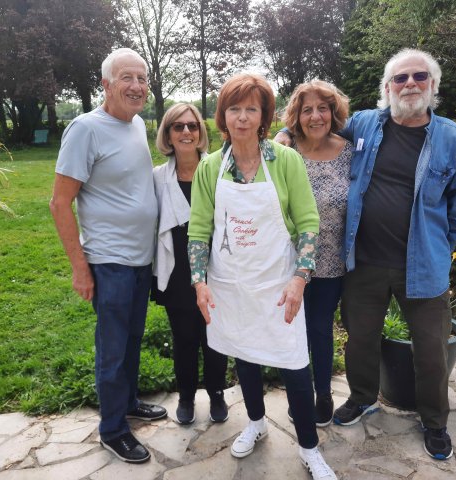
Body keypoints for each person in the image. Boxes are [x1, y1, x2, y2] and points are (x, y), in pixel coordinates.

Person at [276, 48, 456, 461]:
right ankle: (363, 396)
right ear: (386, 88)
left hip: (421, 266)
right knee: (360, 339)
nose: (409, 85)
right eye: (400, 79)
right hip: (365, 261)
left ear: (433, 86)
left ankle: (435, 421)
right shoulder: (366, 124)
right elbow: (316, 129)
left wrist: (441, 246)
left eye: (419, 77)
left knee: (430, 347)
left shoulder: (454, 139)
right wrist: (282, 137)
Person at [189, 73, 337, 480]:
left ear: (264, 116)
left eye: (250, 108)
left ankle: (309, 447)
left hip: (278, 283)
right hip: (230, 282)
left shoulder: (285, 161)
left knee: (294, 362)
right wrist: (199, 281)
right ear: (223, 116)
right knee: (245, 354)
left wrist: (300, 277)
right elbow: (199, 228)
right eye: (234, 108)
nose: (241, 117)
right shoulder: (211, 167)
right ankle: (255, 422)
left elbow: (308, 222)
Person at [49, 47, 167, 465]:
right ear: (106, 84)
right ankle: (113, 429)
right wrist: (80, 268)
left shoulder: (135, 125)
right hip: (109, 261)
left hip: (140, 260)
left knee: (132, 341)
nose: (137, 86)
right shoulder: (86, 129)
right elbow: (60, 203)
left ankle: (128, 401)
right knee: (113, 349)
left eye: (142, 78)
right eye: (127, 78)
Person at [151, 103, 229, 425]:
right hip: (177, 269)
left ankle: (217, 394)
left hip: (216, 269)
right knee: (183, 338)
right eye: (178, 126)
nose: (186, 132)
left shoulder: (217, 169)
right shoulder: (157, 178)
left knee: (214, 338)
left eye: (192, 126)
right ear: (167, 134)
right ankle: (185, 397)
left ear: (200, 133)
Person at [281, 80, 351, 427]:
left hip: (331, 262)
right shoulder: (284, 150)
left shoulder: (350, 151)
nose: (315, 116)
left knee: (320, 330)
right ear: (297, 115)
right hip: (287, 261)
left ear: (333, 112)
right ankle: (297, 392)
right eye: (307, 109)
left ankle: (323, 393)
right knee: (290, 329)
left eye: (322, 108)